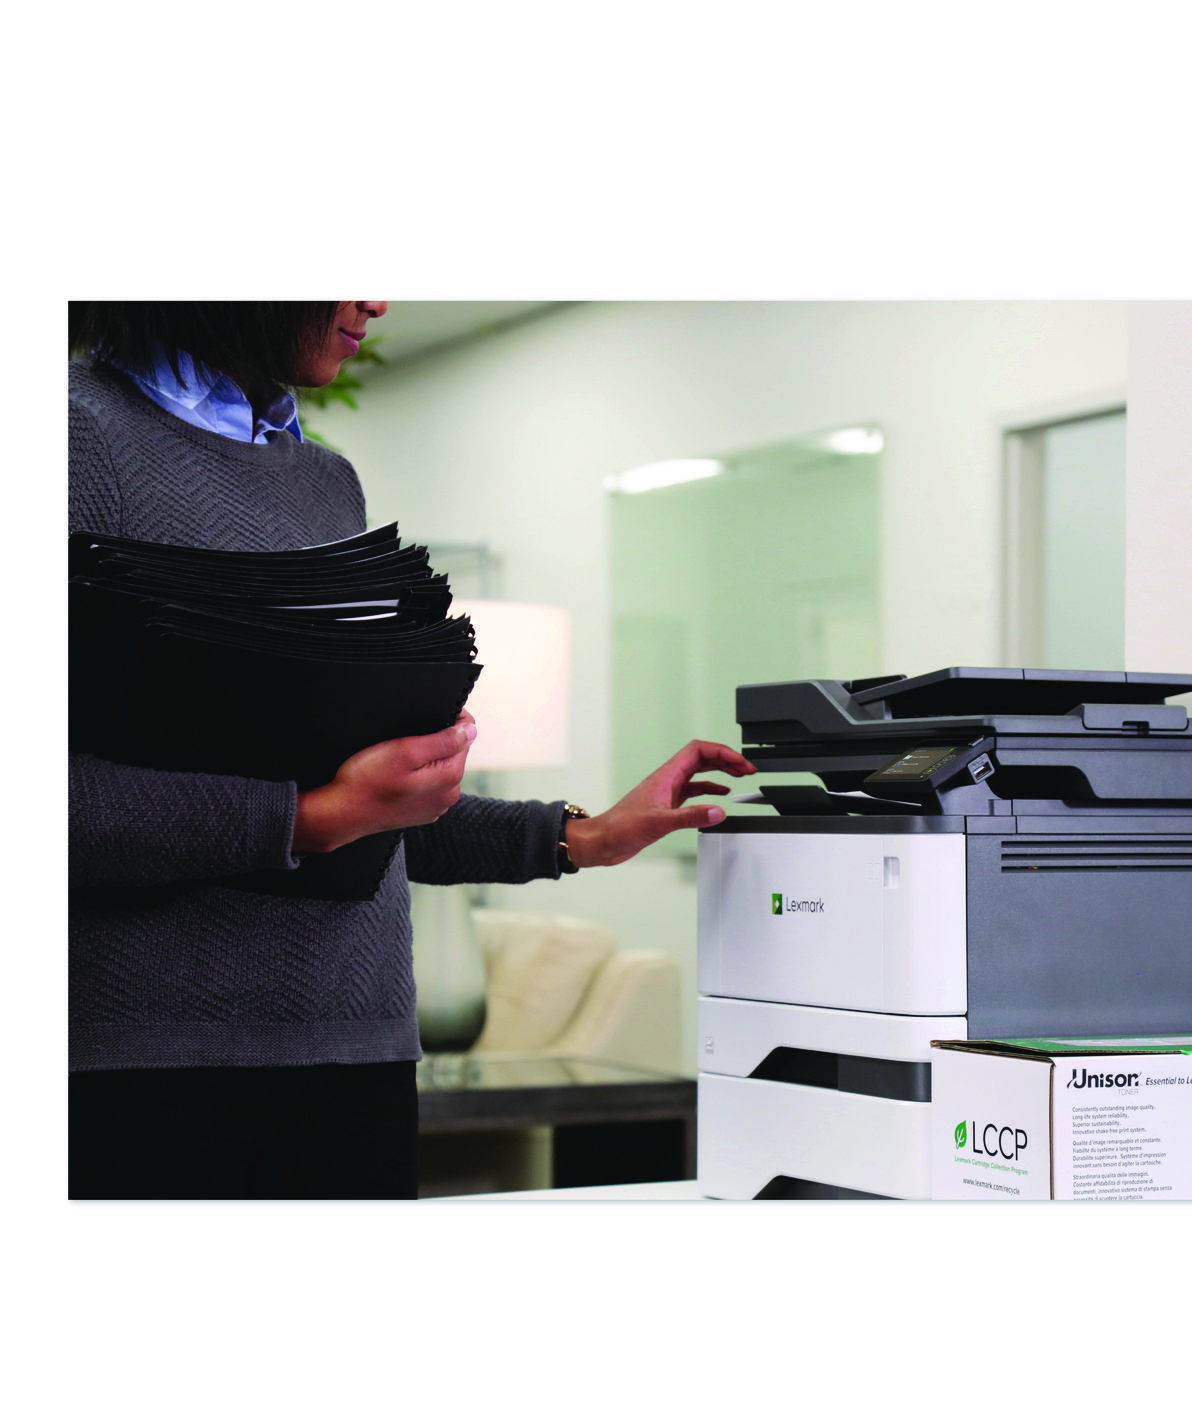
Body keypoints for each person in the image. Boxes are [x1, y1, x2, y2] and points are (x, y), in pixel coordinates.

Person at [68, 300, 756, 1199]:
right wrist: (309, 819)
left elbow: (373, 811)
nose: (377, 300)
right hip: (140, 1062)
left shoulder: (326, 481)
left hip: (361, 1050)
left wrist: (579, 835)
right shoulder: (73, 441)